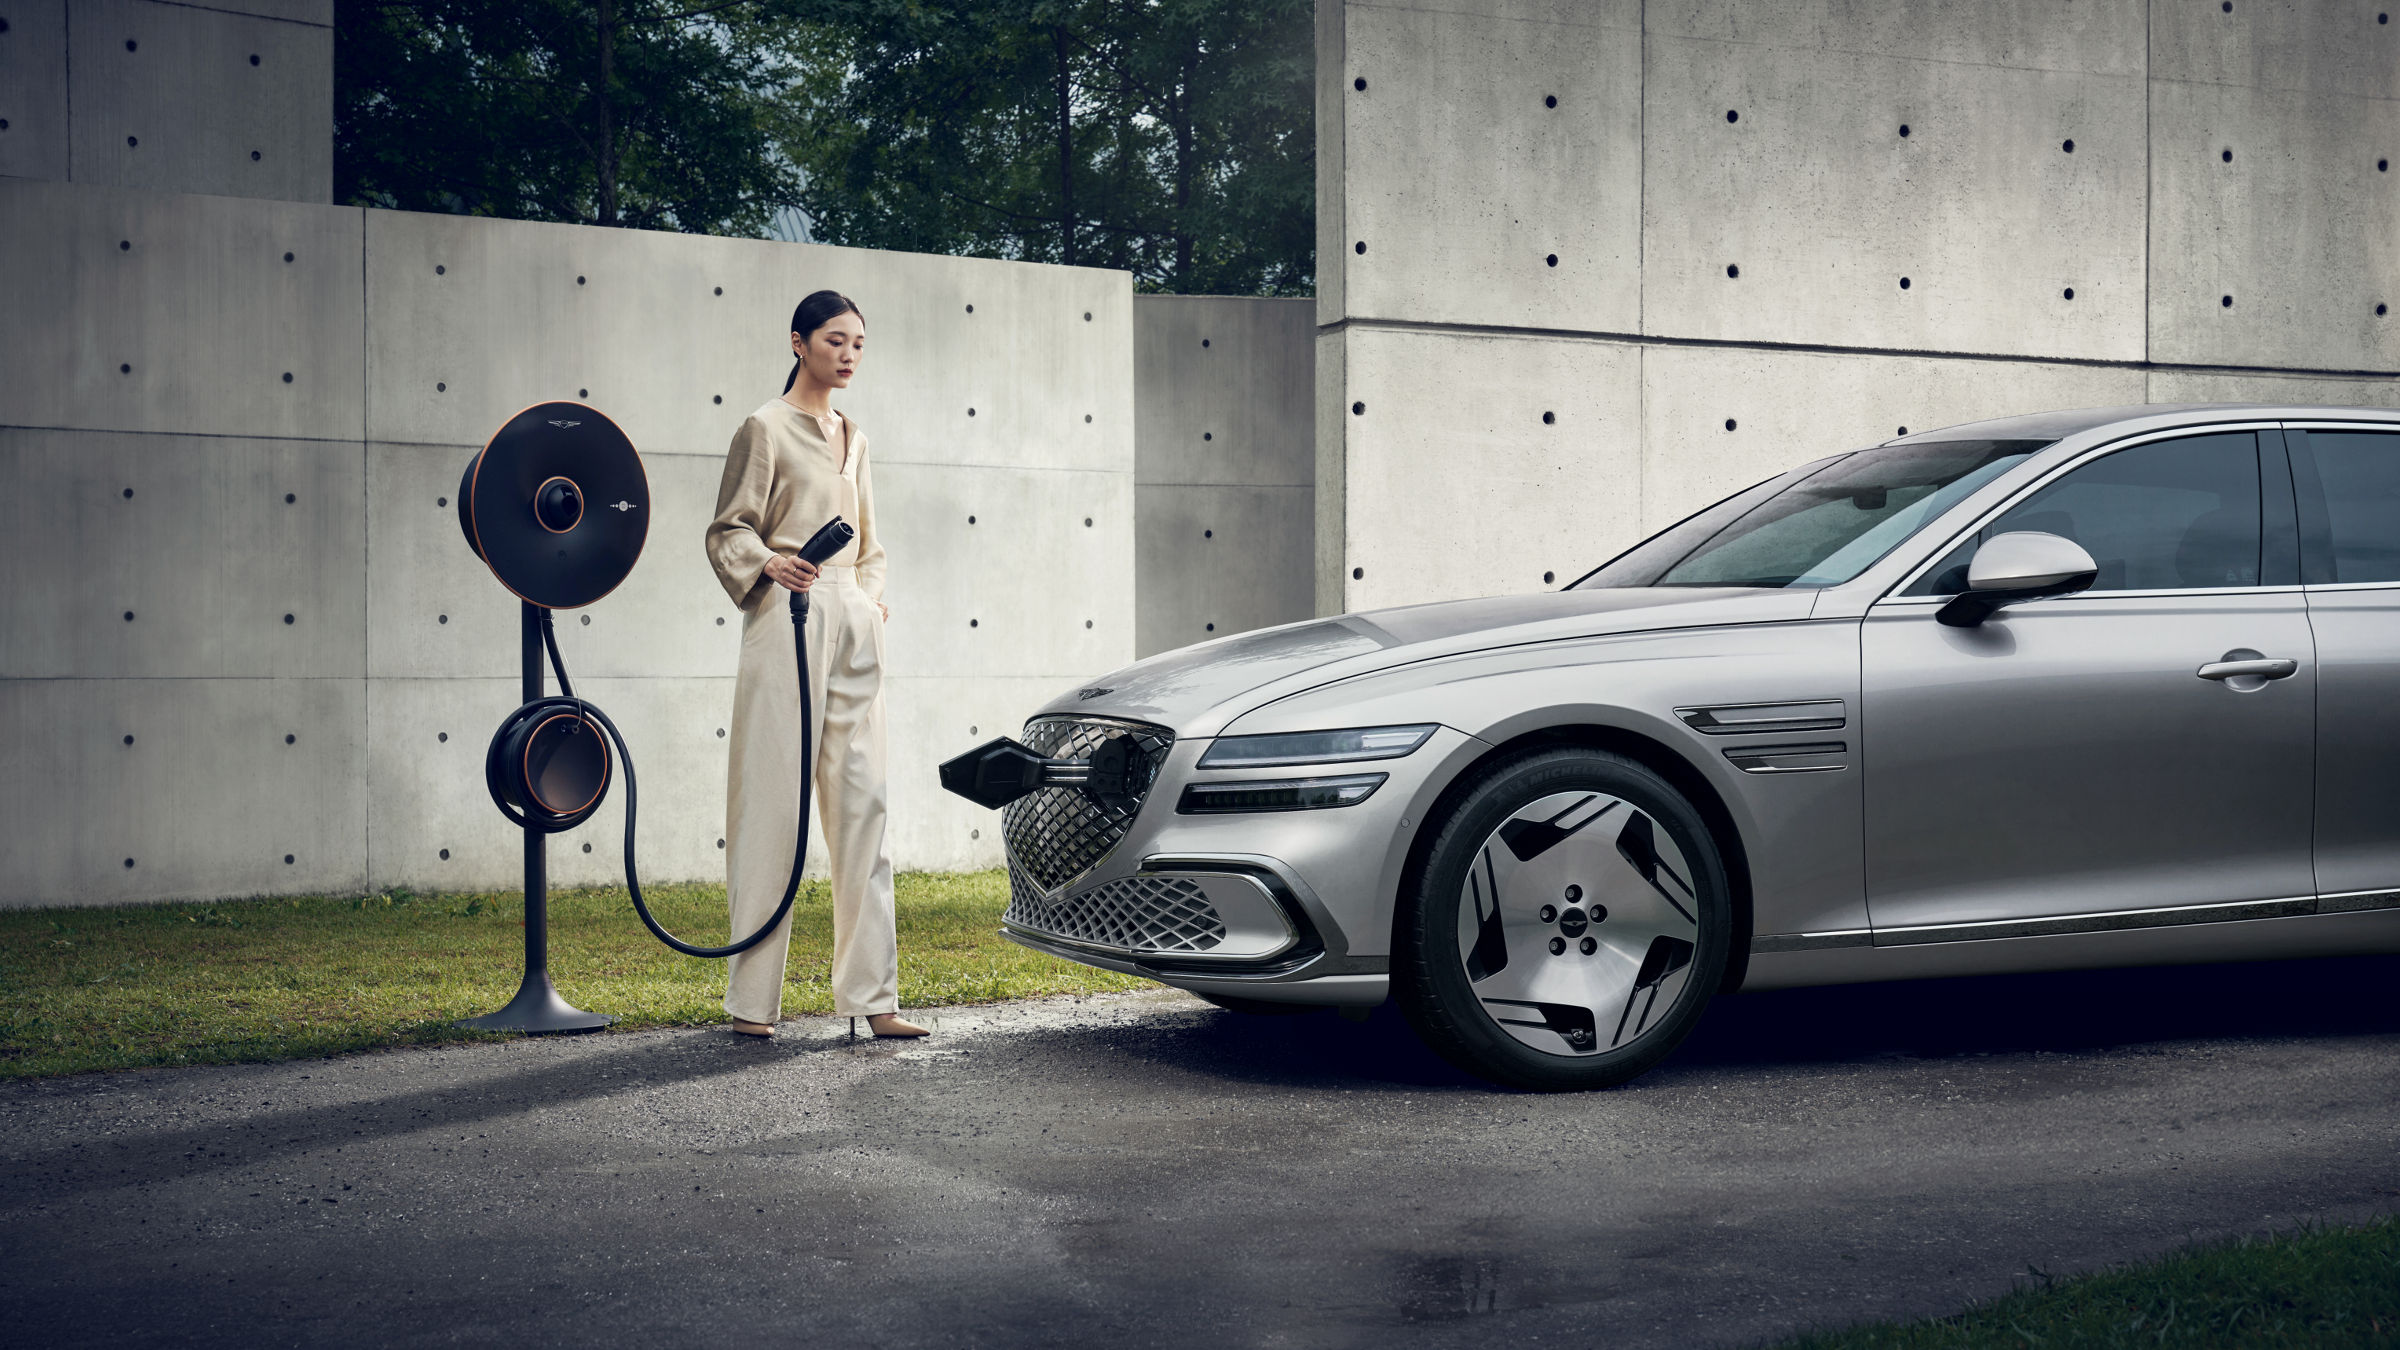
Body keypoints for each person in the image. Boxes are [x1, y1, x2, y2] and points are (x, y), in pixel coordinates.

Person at [704, 290, 928, 1040]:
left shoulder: (855, 437)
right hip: (783, 617)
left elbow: (870, 544)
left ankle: (875, 1000)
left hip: (852, 627)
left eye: (859, 342)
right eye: (836, 340)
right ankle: (751, 1004)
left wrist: (867, 600)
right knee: (772, 805)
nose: (849, 353)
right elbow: (728, 527)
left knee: (865, 804)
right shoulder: (763, 428)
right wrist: (770, 563)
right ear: (798, 342)